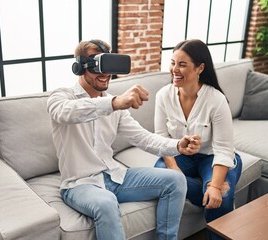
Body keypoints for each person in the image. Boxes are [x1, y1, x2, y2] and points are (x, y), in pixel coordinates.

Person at [47, 39, 202, 240]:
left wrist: (178, 145)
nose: (105, 74)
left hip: (115, 176)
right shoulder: (61, 97)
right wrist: (113, 102)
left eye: (108, 65)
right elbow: (66, 113)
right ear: (80, 67)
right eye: (97, 65)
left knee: (176, 180)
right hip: (79, 184)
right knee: (106, 202)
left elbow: (143, 138)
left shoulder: (115, 106)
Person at [153, 39, 243, 239]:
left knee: (222, 195)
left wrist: (216, 186)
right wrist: (175, 171)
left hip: (212, 157)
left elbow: (223, 148)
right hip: (179, 156)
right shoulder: (163, 96)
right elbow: (161, 139)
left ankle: (213, 187)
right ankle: (205, 185)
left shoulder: (216, 99)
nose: (174, 69)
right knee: (161, 173)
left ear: (200, 68)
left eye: (182, 64)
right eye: (172, 63)